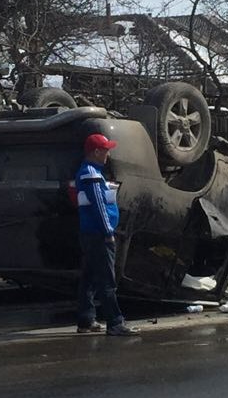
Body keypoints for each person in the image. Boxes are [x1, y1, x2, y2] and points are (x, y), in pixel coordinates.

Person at [76, 133, 139, 336]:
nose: (108, 154)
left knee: (90, 278)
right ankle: (115, 322)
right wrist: (107, 232)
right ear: (96, 152)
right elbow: (99, 206)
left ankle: (86, 320)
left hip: (89, 233)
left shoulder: (90, 172)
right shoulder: (91, 174)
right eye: (105, 150)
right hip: (98, 235)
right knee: (107, 280)